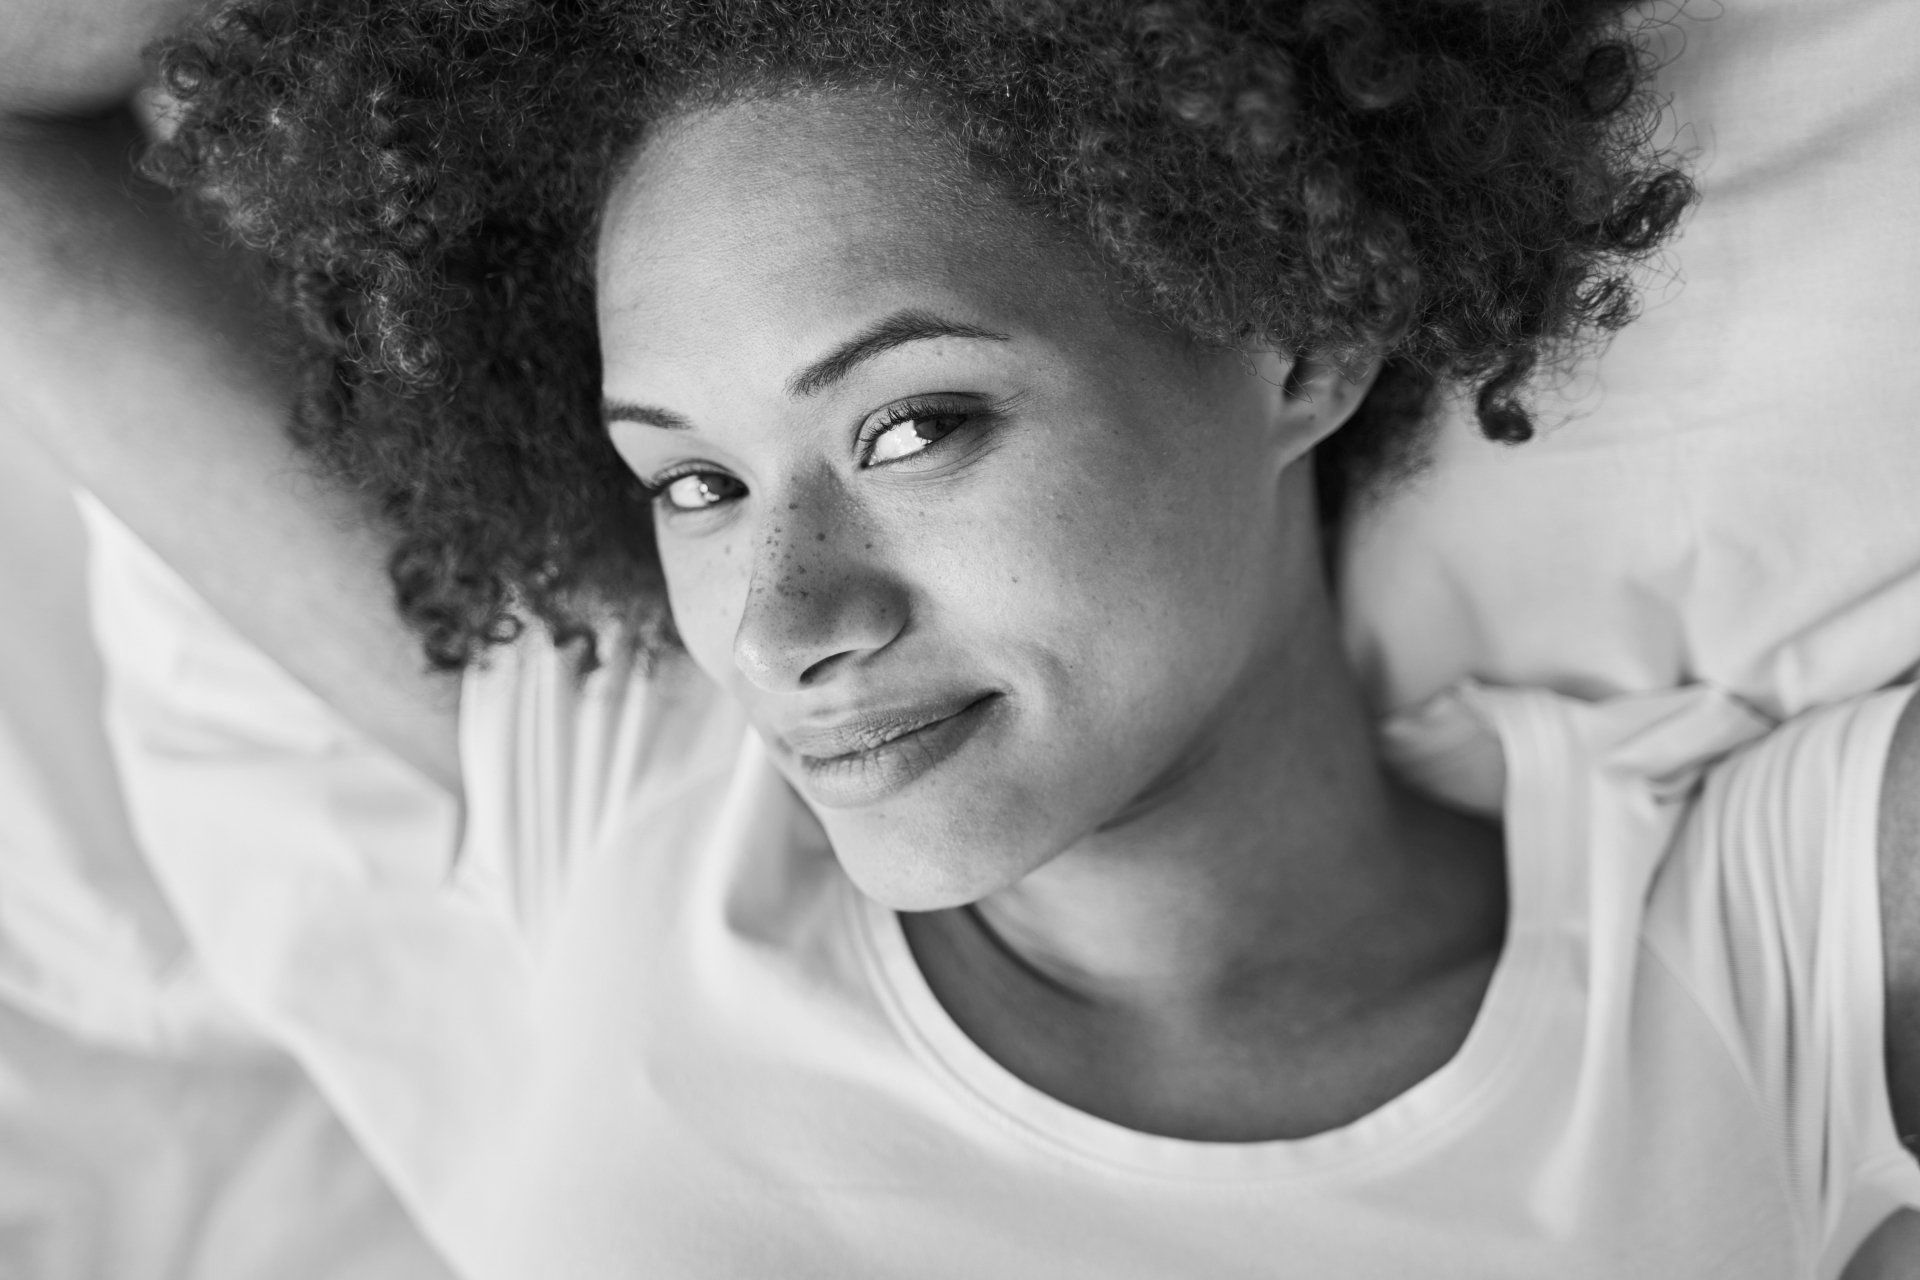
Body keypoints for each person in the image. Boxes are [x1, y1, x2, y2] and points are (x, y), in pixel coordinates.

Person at [5, 1, 1919, 1276]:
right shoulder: (640, 784)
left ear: (1300, 337)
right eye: (692, 485)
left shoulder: (1750, 950)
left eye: (912, 427)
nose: (788, 628)